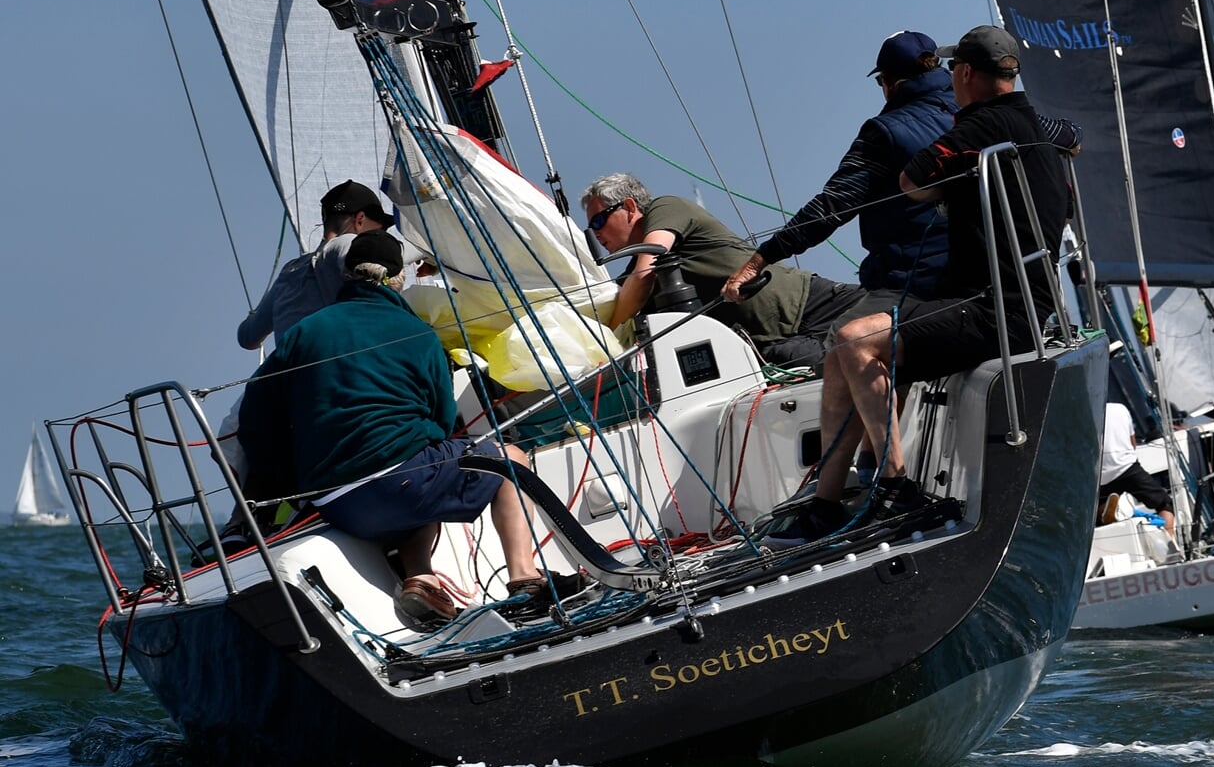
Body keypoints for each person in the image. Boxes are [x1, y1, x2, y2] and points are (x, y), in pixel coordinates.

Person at [768, 25, 1073, 543]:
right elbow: (1076, 138)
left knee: (853, 340)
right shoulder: (1038, 124)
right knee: (846, 345)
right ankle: (825, 503)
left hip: (995, 308)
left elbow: (911, 182)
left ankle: (893, 485)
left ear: (965, 73)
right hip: (1012, 299)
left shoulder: (972, 127)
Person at [238, 231, 544, 630]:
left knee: (419, 463)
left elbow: (256, 415)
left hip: (337, 501)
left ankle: (421, 575)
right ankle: (525, 580)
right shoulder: (419, 334)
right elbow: (441, 421)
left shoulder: (303, 333)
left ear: (346, 274)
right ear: (399, 279)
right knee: (508, 461)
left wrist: (278, 484)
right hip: (400, 488)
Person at [723, 30, 1084, 304]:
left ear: (889, 83)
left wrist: (760, 259)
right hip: (1003, 280)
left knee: (840, 347)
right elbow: (1070, 137)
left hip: (917, 287)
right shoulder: (997, 112)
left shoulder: (885, 133)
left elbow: (832, 206)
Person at [581, 174, 865, 370]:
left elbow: (646, 273)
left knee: (899, 324)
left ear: (630, 207)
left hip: (812, 305)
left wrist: (606, 333)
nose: (597, 233)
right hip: (779, 345)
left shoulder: (666, 208)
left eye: (599, 220)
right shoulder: (630, 281)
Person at [236, 180, 395, 350]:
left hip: (292, 373)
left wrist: (254, 316)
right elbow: (362, 260)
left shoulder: (290, 271)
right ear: (360, 220)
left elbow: (247, 337)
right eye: (379, 231)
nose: (381, 237)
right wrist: (424, 252)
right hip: (336, 370)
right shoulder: (346, 243)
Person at [1098, 400, 1175, 539]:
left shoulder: (1083, 414)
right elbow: (1132, 444)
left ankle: (1106, 512)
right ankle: (1169, 542)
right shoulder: (1120, 408)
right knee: (1165, 504)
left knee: (1097, 508)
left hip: (1098, 477)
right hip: (1128, 468)